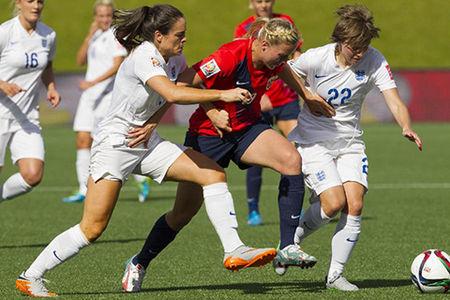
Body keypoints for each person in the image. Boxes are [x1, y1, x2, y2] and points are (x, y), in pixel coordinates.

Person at [16, 5, 277, 297]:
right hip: (115, 144)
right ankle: (30, 275)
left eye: (185, 34)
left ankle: (234, 249)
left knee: (213, 173)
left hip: (145, 141)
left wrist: (152, 123)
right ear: (158, 35)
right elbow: (172, 92)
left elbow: (175, 88)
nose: (184, 40)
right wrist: (221, 95)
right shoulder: (144, 56)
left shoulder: (174, 56)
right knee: (92, 229)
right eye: (179, 35)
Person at [122, 17, 337, 293]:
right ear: (262, 43)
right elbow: (184, 82)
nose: (281, 61)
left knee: (291, 159)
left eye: (285, 56)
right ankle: (140, 262)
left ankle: (288, 246)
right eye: (280, 55)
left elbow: (284, 70)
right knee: (181, 215)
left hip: (248, 130)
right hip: (209, 135)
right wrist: (212, 111)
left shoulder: (274, 58)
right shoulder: (229, 55)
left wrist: (305, 94)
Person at [284, 4, 423, 291]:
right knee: (333, 204)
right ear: (341, 41)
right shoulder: (317, 58)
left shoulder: (374, 60)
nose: (360, 53)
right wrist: (307, 95)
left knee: (355, 204)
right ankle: (292, 239)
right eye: (354, 48)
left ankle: (335, 276)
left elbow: (393, 99)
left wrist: (406, 126)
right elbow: (286, 71)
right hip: (313, 141)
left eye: (364, 47)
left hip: (350, 142)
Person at [234, 0, 304, 226]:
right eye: (259, 0)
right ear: (251, 3)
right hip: (259, 101)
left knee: (296, 149)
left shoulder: (286, 22)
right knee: (256, 155)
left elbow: (296, 54)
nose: (263, 4)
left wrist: (301, 83)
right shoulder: (243, 28)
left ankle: (294, 204)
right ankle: (253, 209)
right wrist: (258, 92)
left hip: (285, 98)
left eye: (267, 0)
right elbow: (243, 61)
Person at [62, 0, 128, 203]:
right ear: (95, 17)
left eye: (108, 15)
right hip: (89, 97)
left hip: (107, 96)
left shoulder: (115, 35)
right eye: (101, 16)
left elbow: (117, 65)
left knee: (106, 142)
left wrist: (93, 82)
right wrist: (89, 35)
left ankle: (139, 176)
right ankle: (83, 189)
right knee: (82, 139)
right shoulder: (96, 35)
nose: (105, 19)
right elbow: (80, 60)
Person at [0, 0, 60, 204]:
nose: (36, 6)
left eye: (40, 1)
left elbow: (47, 65)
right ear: (18, 3)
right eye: (30, 0)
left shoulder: (49, 35)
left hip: (27, 117)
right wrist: (2, 84)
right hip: (0, 113)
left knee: (33, 175)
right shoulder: (5, 32)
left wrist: (51, 87)